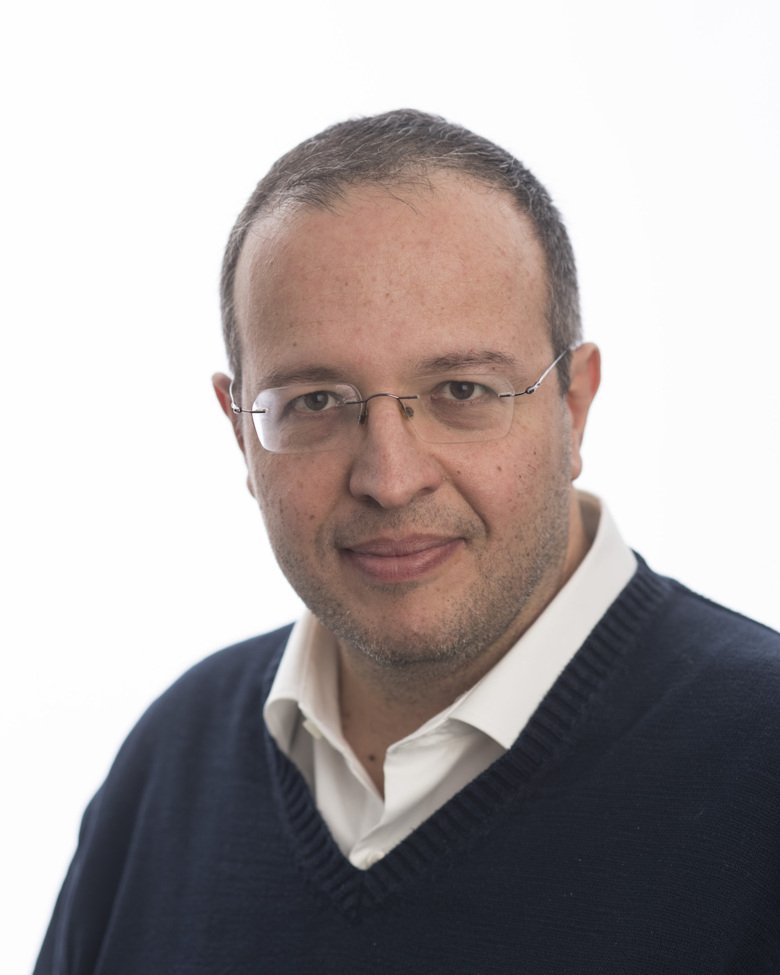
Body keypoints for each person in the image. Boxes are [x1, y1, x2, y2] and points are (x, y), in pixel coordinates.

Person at [35, 110, 780, 974]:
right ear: (241, 431)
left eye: (463, 387)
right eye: (315, 401)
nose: (390, 478)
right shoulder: (173, 766)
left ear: (573, 406)